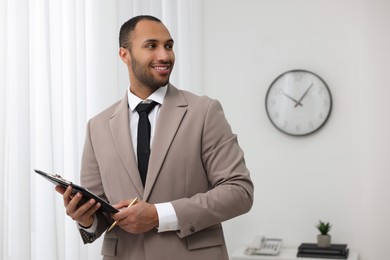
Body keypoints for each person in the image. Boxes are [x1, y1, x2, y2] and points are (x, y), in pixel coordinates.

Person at [56, 15, 254, 260]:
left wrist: (159, 215)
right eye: (152, 46)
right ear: (124, 55)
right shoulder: (97, 126)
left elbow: (239, 192)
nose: (165, 56)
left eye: (169, 46)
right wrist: (86, 219)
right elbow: (101, 215)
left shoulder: (204, 112)